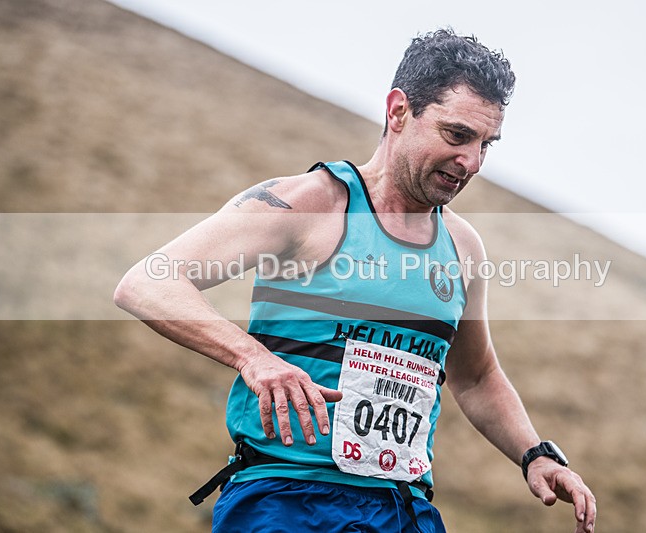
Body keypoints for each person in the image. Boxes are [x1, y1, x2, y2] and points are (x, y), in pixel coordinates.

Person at [115, 28, 597, 533]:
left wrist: (536, 455)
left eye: (485, 144)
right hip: (287, 499)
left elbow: (475, 376)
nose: (472, 162)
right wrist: (253, 358)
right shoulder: (311, 203)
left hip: (404, 509)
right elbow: (148, 283)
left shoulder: (461, 246)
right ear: (398, 111)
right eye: (457, 135)